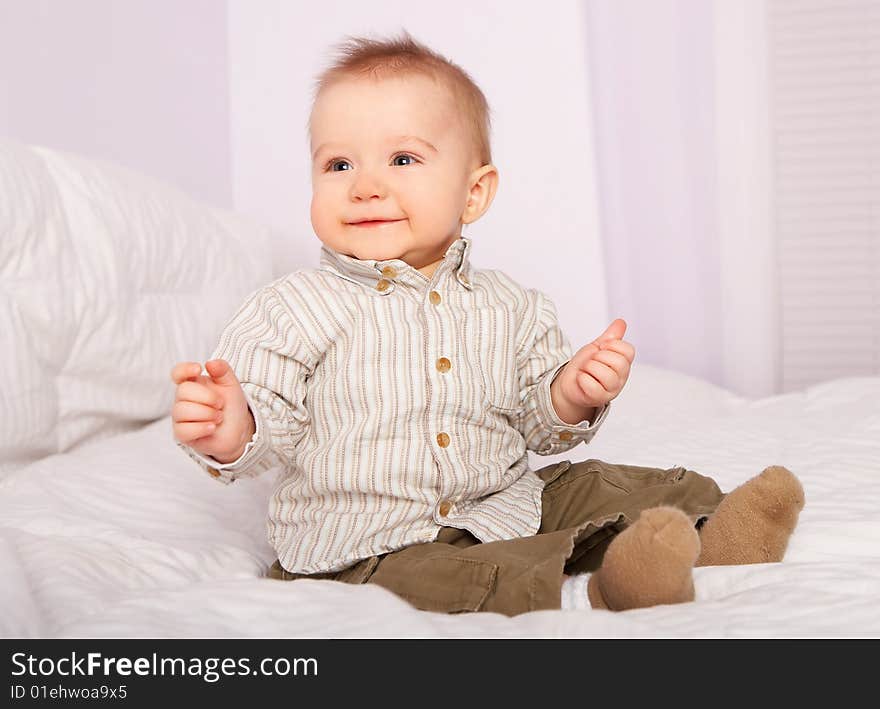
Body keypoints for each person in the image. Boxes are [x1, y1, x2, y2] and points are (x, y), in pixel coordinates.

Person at [170, 32, 804, 616]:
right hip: (365, 551)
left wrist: (572, 393)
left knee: (607, 485)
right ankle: (616, 588)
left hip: (501, 505)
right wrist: (234, 424)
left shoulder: (513, 306)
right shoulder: (292, 307)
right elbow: (268, 416)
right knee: (464, 577)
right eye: (338, 165)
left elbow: (537, 424)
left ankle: (721, 534)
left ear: (474, 194)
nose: (364, 186)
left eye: (402, 159)